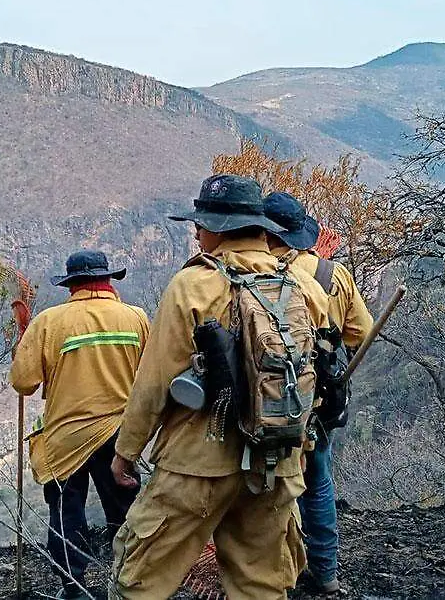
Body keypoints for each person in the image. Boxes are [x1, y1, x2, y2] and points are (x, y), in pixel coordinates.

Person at [109, 174, 330, 599]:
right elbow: (313, 371)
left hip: (198, 464)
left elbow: (154, 381)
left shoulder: (192, 286)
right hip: (274, 461)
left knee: (140, 579)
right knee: (262, 584)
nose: (196, 231)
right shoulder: (302, 286)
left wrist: (127, 451)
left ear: (220, 228)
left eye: (202, 223)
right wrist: (299, 447)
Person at [9, 249, 150, 599]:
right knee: (126, 510)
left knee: (65, 513)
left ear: (72, 284)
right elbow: (151, 377)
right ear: (108, 280)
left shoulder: (49, 322)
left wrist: (24, 345)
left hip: (65, 438)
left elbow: (23, 383)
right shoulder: (136, 318)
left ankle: (74, 587)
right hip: (121, 435)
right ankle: (130, 583)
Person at [263, 191, 373, 598]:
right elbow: (361, 333)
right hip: (318, 402)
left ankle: (274, 574)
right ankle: (325, 572)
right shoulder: (332, 275)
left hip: (267, 403)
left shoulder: (254, 276)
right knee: (318, 481)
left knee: (267, 487)